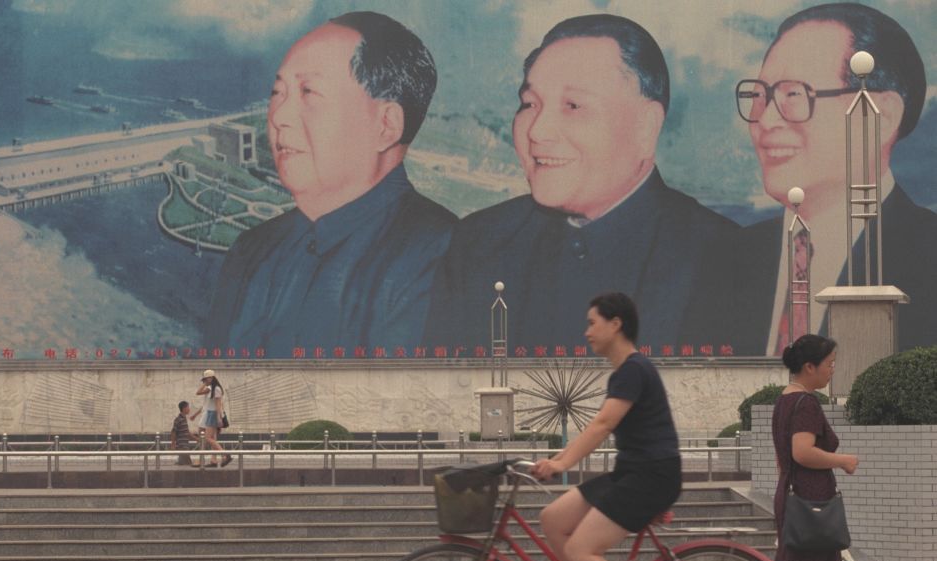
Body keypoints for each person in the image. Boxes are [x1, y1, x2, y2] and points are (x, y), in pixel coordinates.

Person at [424, 14, 738, 352]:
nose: (537, 130)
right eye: (530, 104)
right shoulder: (479, 242)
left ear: (646, 127)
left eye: (572, 106)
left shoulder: (723, 258)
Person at [207, 11, 456, 356]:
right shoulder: (252, 251)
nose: (279, 116)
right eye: (277, 92)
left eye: (309, 92)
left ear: (386, 125)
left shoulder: (448, 258)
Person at [694, 3, 936, 355]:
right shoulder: (719, 261)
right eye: (760, 96)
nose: (765, 120)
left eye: (794, 95)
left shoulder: (927, 257)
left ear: (879, 117)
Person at [532, 292, 682, 561]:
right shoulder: (625, 372)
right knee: (553, 518)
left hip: (653, 476)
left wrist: (562, 461)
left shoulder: (634, 369)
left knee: (583, 549)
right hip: (631, 472)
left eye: (592, 323)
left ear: (616, 324)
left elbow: (602, 424)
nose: (587, 332)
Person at [744, 334, 861, 561]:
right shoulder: (806, 403)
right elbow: (801, 452)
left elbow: (785, 461)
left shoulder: (785, 401)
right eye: (829, 364)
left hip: (796, 496)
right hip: (810, 501)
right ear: (809, 367)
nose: (832, 370)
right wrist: (842, 460)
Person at [194, 369, 231, 467]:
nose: (206, 380)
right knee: (212, 438)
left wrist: (219, 418)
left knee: (208, 438)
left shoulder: (217, 389)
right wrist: (204, 383)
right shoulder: (210, 388)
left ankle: (225, 455)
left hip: (213, 414)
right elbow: (198, 392)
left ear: (212, 378)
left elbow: (218, 404)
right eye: (205, 379)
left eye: (207, 378)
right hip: (210, 413)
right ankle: (214, 460)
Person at [170, 400, 199, 465]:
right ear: (184, 408)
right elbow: (173, 432)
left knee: (183, 464)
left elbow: (187, 433)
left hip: (185, 445)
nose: (189, 409)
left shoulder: (184, 419)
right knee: (188, 464)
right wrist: (173, 444)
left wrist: (197, 439)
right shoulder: (178, 419)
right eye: (188, 407)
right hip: (181, 446)